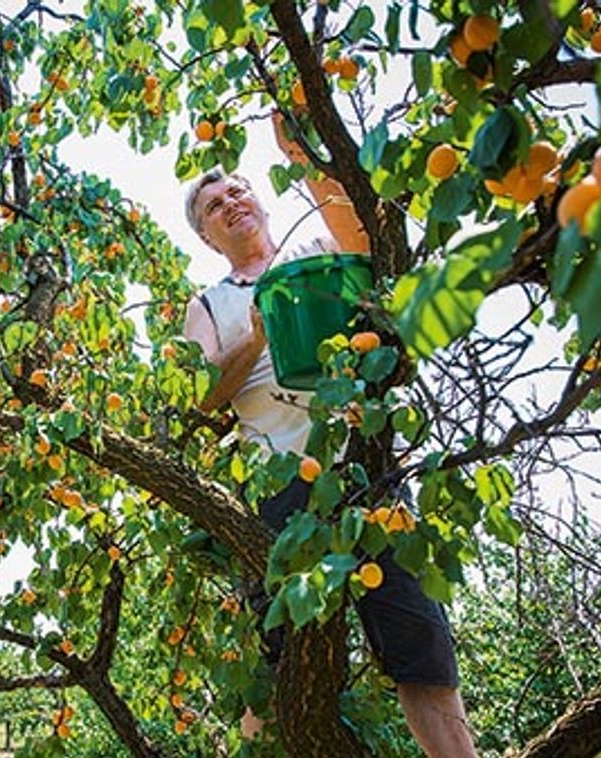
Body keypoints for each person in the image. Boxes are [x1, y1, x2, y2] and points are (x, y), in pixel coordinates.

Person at [180, 113, 478, 757]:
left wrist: (308, 158)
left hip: (367, 469)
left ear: (260, 200)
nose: (230, 203)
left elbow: (374, 242)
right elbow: (198, 400)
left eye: (238, 190)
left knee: (419, 641)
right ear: (206, 236)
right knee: (281, 660)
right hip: (280, 486)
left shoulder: (313, 253)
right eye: (213, 204)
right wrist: (256, 336)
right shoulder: (208, 305)